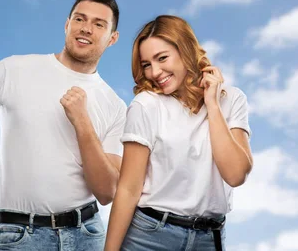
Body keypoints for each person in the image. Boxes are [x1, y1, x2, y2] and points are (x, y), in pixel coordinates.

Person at [0, 0, 126, 250]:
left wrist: (82, 122)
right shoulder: (14, 69)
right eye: (80, 19)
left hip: (86, 234)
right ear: (67, 24)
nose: (86, 28)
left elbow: (106, 192)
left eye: (98, 24)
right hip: (21, 235)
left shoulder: (115, 106)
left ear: (112, 38)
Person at [104, 15, 253, 251]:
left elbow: (235, 175)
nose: (155, 72)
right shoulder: (146, 105)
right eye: (146, 64)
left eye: (162, 58)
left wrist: (212, 105)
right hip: (149, 237)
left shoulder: (232, 99)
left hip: (209, 239)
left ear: (185, 50)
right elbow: (128, 189)